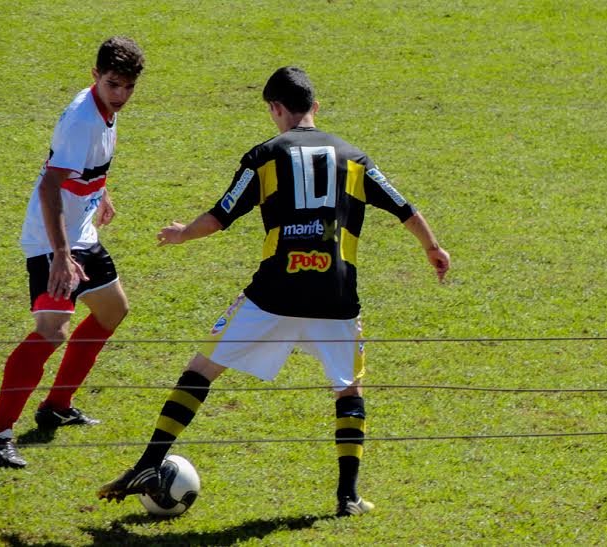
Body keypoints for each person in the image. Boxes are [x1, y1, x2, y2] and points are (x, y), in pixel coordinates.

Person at [97, 66, 450, 516]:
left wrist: (184, 233)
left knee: (201, 369)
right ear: (315, 108)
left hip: (274, 293)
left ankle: (146, 463)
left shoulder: (264, 157)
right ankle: (348, 497)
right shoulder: (355, 159)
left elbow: (223, 213)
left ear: (276, 109)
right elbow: (404, 207)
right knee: (349, 388)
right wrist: (433, 248)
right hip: (336, 295)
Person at [0, 37, 145, 468]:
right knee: (51, 330)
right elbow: (51, 186)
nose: (120, 95)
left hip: (80, 233)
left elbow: (88, 168)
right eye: (113, 85)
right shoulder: (82, 120)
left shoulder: (105, 111)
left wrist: (101, 194)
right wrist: (59, 254)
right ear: (95, 77)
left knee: (112, 312)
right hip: (51, 240)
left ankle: (56, 406)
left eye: (128, 87)